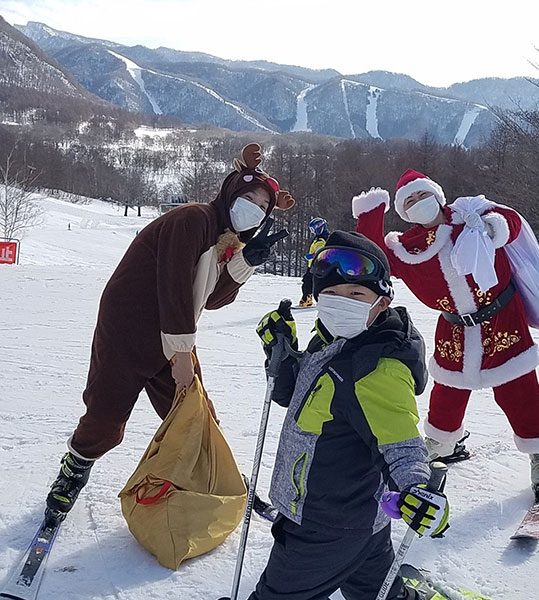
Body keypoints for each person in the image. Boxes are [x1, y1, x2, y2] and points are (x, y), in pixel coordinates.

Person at [44, 143, 295, 525]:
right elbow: (174, 285)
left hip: (173, 333)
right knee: (106, 414)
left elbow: (210, 299)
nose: (255, 209)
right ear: (231, 191)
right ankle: (74, 469)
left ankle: (219, 476)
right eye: (250, 198)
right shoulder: (193, 220)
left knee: (194, 411)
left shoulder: (223, 237)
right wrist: (180, 356)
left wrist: (246, 261)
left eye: (263, 207)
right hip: (129, 328)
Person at [251, 230, 448, 600]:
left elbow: (401, 444)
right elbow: (304, 400)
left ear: (382, 301)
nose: (343, 303)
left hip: (324, 527)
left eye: (357, 295)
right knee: (375, 589)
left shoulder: (377, 368)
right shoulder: (330, 339)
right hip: (358, 520)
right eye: (332, 294)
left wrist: (416, 487)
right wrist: (282, 355)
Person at [353, 170, 539, 494]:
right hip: (455, 330)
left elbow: (511, 222)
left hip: (502, 319)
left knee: (518, 388)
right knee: (447, 392)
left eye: (422, 195)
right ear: (404, 212)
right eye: (409, 201)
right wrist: (371, 211)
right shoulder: (409, 248)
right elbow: (372, 253)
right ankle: (439, 443)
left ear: (437, 195)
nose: (419, 203)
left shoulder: (471, 215)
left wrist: (491, 228)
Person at [298, 216, 330, 307]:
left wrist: (312, 256)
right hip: (313, 264)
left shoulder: (324, 239)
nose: (313, 232)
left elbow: (323, 253)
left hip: (318, 265)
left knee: (309, 282)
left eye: (313, 229)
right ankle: (308, 298)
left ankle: (307, 299)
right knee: (308, 281)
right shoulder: (318, 238)